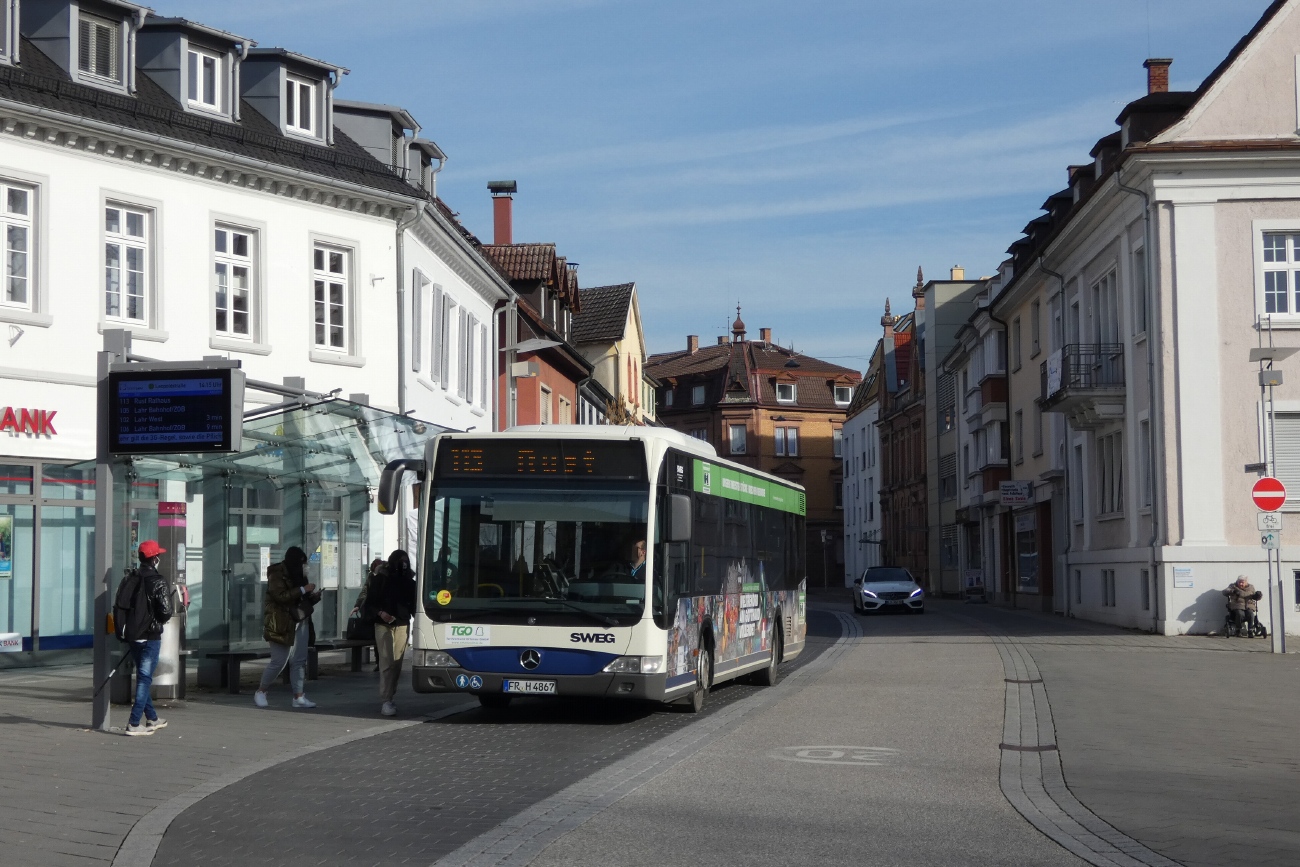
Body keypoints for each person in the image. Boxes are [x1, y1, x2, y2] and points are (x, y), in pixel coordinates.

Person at [255, 546, 318, 709]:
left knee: (299, 660)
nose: (304, 567)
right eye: (302, 563)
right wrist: (303, 589)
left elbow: (301, 599)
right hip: (281, 623)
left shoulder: (300, 577)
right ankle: (261, 691)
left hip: (300, 620)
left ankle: (299, 696)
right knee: (279, 661)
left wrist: (312, 597)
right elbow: (280, 596)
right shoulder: (277, 573)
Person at [124, 541, 173, 736]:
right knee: (145, 679)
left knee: (143, 676)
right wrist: (159, 619)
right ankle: (134, 723)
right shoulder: (158, 580)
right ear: (154, 558)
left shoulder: (131, 578)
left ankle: (152, 718)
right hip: (150, 635)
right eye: (158, 555)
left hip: (133, 635)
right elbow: (166, 611)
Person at [366, 549, 416, 717]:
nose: (403, 564)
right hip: (383, 624)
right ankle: (386, 699)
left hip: (402, 623)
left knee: (397, 663)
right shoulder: (381, 579)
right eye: (400, 561)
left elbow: (414, 605)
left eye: (405, 561)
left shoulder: (410, 581)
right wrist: (380, 613)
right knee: (386, 662)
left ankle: (390, 696)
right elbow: (370, 603)